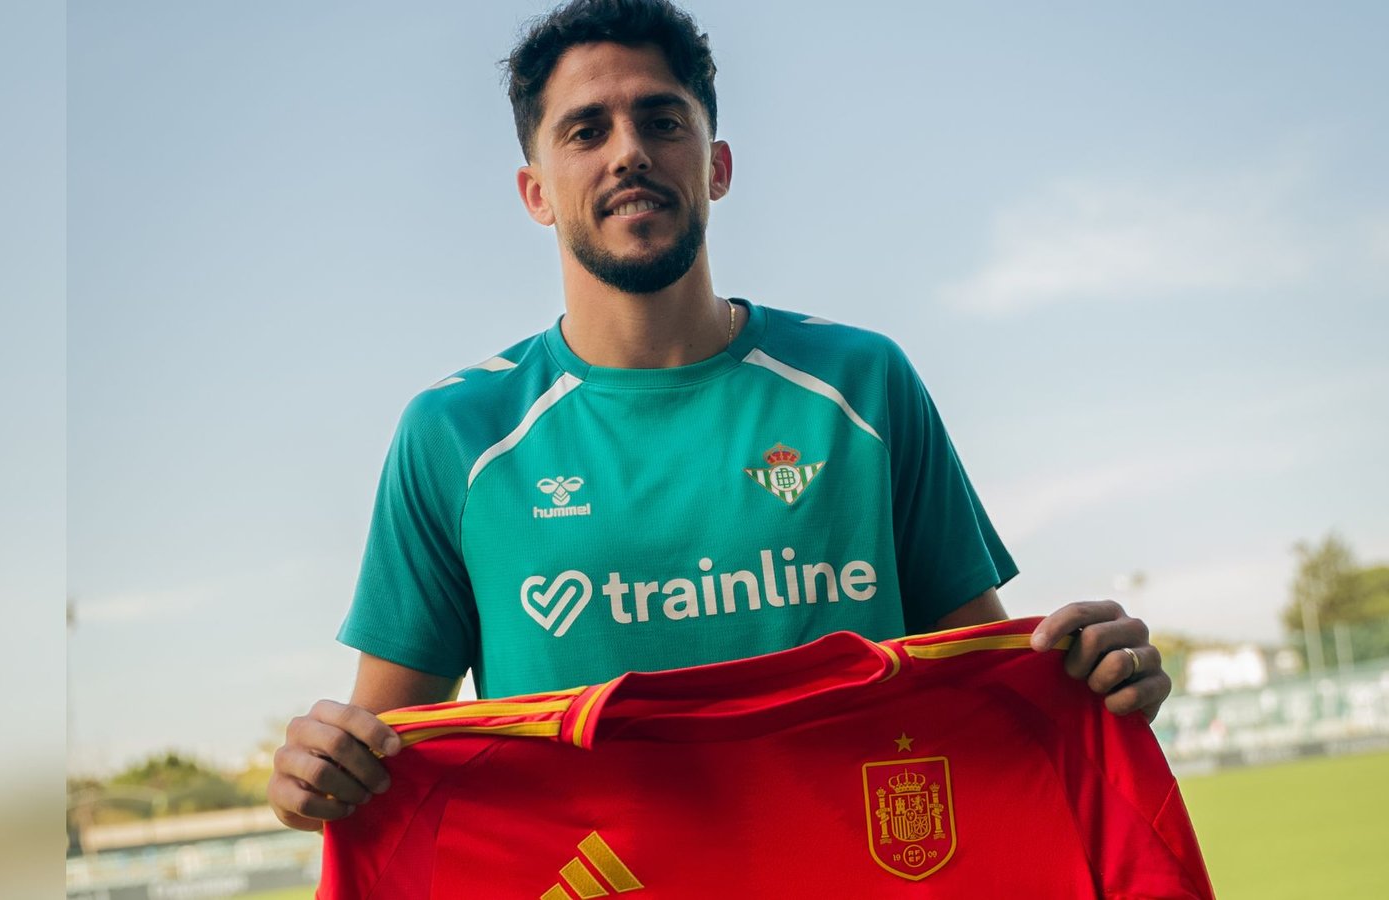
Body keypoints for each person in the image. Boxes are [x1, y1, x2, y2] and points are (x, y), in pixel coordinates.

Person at [268, 0, 1172, 833]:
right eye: (586, 130)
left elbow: (985, 683)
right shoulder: (456, 435)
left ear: (718, 164)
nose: (628, 151)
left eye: (661, 121)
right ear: (535, 191)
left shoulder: (863, 383)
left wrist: (1088, 676)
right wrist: (314, 780)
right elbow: (380, 758)